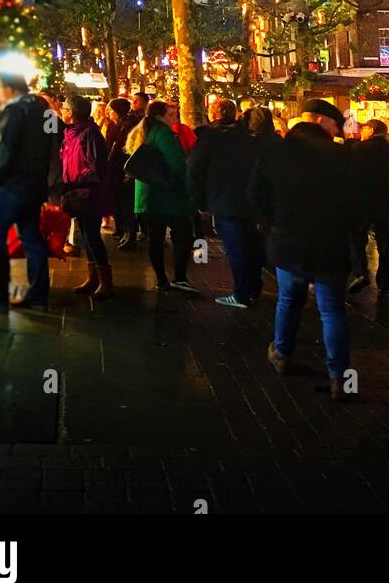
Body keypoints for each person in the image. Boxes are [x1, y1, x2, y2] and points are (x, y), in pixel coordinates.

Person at [251, 120, 357, 402]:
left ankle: (282, 353)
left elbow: (257, 196)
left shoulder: (275, 155)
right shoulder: (342, 157)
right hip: (330, 243)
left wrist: (273, 224)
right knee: (332, 310)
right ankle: (339, 377)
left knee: (289, 300)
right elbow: (356, 201)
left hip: (289, 242)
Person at [0, 73, 55, 313]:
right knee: (32, 239)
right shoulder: (45, 110)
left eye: (0, 88)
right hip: (35, 184)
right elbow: (53, 144)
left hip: (13, 184)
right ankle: (39, 297)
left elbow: (5, 148)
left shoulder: (14, 111)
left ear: (9, 89)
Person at [190, 98, 265, 308]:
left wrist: (199, 200)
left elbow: (195, 170)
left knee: (236, 248)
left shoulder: (209, 138)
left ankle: (241, 294)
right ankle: (254, 287)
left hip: (223, 200)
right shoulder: (249, 136)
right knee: (251, 245)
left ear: (214, 113)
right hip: (249, 200)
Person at [128, 100, 199, 293]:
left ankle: (161, 279)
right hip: (168, 196)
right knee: (182, 235)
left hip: (147, 196)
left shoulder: (144, 133)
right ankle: (180, 278)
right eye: (170, 114)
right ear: (160, 116)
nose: (174, 118)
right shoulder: (164, 134)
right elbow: (177, 164)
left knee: (155, 238)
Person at [61, 95, 115, 299]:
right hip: (76, 192)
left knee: (92, 236)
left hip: (89, 194)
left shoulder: (90, 134)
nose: (62, 111)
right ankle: (93, 277)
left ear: (72, 112)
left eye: (64, 108)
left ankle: (105, 282)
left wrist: (76, 181)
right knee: (85, 236)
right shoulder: (71, 133)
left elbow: (97, 168)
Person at [346, 118, 389, 297]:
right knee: (385, 244)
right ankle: (385, 285)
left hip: (361, 202)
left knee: (357, 239)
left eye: (364, 128)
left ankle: (360, 272)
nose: (362, 132)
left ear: (371, 130)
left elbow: (349, 176)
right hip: (385, 203)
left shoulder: (357, 149)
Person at [115, 93, 149, 249]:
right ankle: (132, 232)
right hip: (131, 166)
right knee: (130, 202)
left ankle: (133, 233)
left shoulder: (134, 122)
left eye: (136, 101)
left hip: (132, 166)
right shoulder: (132, 121)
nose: (133, 103)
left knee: (130, 202)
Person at [105, 97, 132, 237]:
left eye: (111, 109)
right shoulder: (112, 125)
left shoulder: (127, 127)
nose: (108, 112)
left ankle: (127, 230)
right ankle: (120, 226)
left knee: (124, 201)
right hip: (113, 168)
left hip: (123, 168)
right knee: (115, 198)